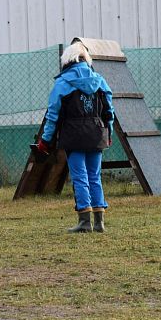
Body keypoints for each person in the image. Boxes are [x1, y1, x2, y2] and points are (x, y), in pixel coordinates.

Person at [36, 38, 114, 232]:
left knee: (80, 177)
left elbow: (52, 116)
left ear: (67, 61)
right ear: (85, 59)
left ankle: (84, 222)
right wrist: (109, 133)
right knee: (94, 176)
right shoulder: (100, 81)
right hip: (96, 134)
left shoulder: (63, 84)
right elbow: (109, 112)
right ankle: (100, 223)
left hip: (73, 136)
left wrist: (45, 140)